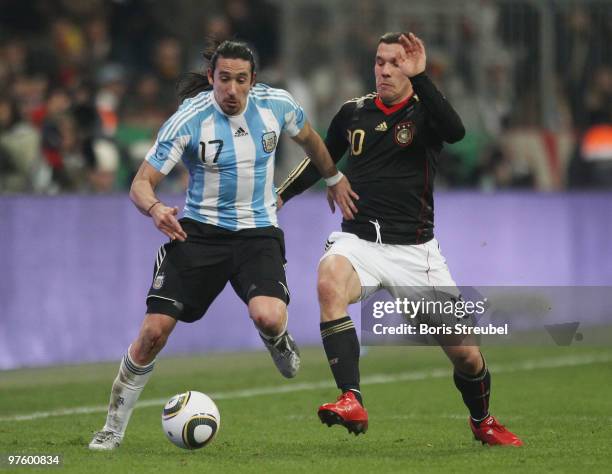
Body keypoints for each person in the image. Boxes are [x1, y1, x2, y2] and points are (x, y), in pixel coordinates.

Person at [89, 39, 357, 451]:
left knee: (268, 316)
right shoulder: (189, 119)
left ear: (253, 81)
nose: (231, 89)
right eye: (224, 79)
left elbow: (312, 140)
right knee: (153, 333)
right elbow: (141, 183)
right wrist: (156, 209)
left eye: (241, 80)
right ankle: (112, 427)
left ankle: (277, 339)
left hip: (257, 233)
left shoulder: (277, 105)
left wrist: (334, 177)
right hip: (198, 233)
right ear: (211, 78)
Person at [277, 32, 522, 446]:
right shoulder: (353, 113)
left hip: (415, 253)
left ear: (411, 68)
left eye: (395, 62)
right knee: (328, 282)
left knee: (466, 354)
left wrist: (423, 78)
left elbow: (456, 131)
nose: (386, 70)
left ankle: (483, 421)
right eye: (380, 61)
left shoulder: (425, 114)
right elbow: (321, 160)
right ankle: (350, 397)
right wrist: (279, 195)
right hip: (358, 242)